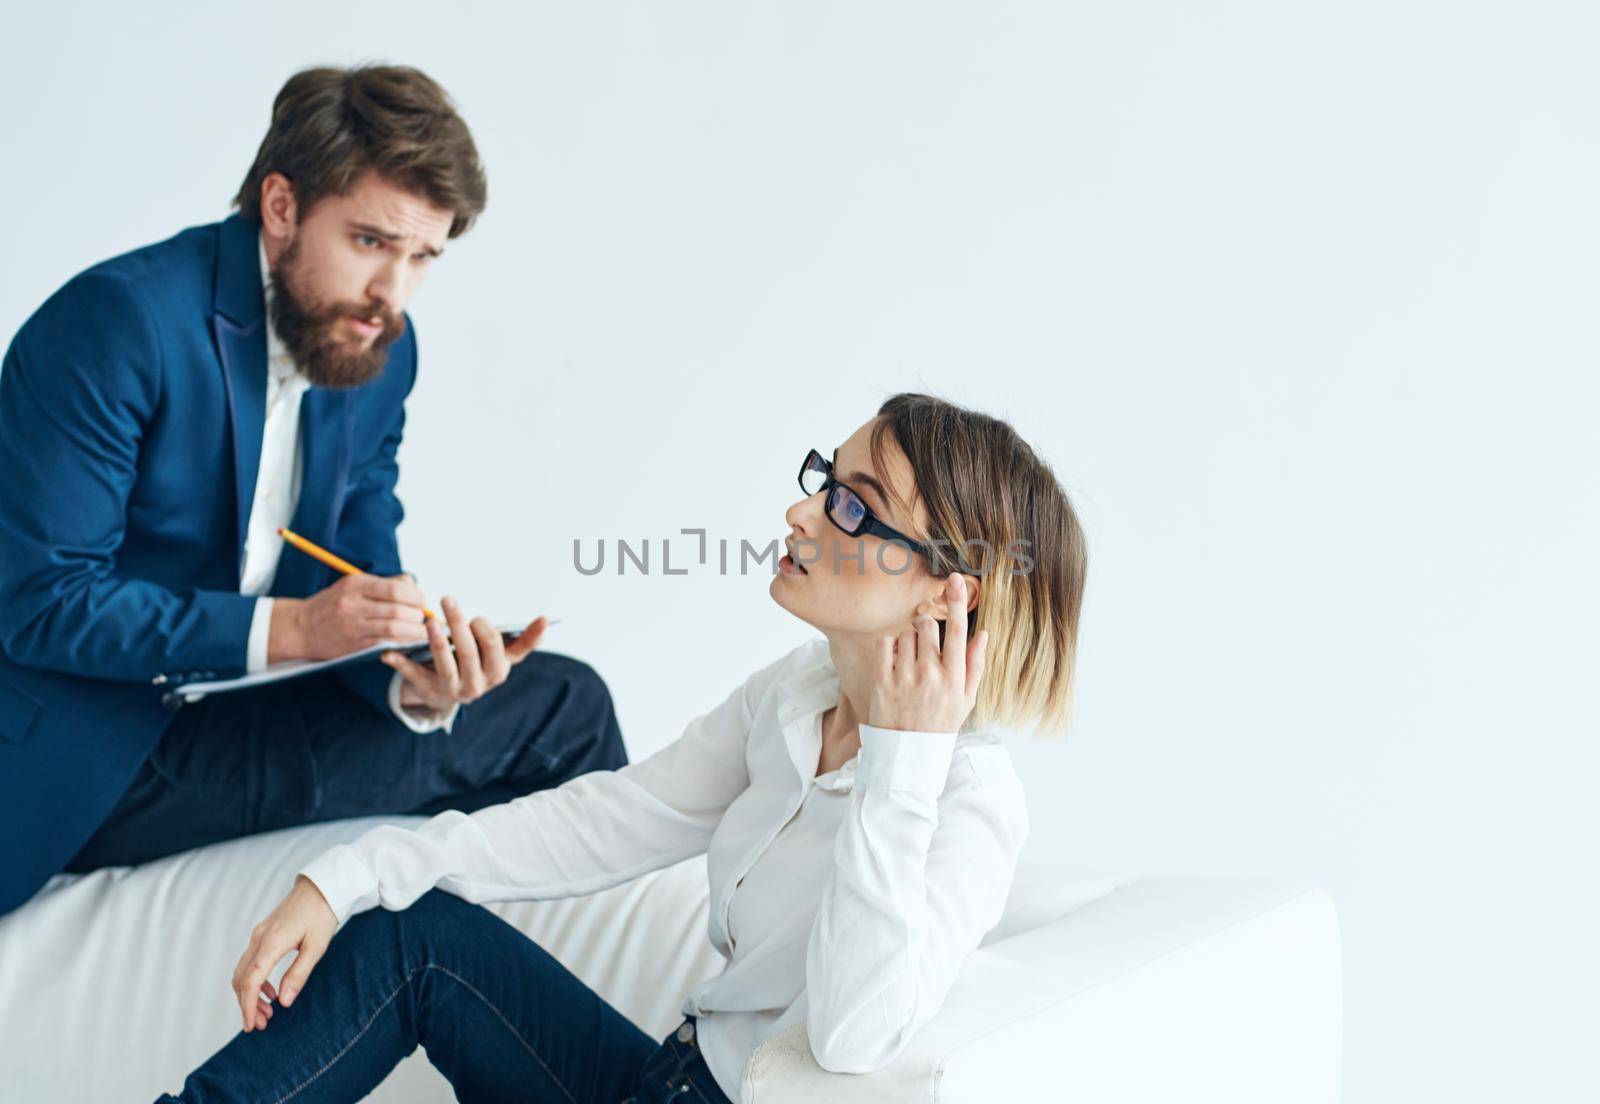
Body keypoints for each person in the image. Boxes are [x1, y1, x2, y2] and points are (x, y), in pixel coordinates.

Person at [156, 393, 1089, 1103]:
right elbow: (611, 818)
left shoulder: (970, 803)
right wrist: (347, 876)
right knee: (408, 936)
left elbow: (854, 1033)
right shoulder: (794, 693)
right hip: (661, 1078)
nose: (805, 514)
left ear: (946, 595)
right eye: (826, 481)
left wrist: (902, 760)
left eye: (856, 507)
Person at [0, 64, 628, 918]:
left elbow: (356, 567)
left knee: (561, 701)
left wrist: (417, 684)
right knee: (563, 712)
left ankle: (527, 1007)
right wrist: (296, 628)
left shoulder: (377, 350)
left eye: (422, 258)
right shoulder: (120, 322)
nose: (392, 294)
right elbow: (42, 604)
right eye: (371, 242)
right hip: (84, 747)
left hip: (224, 713)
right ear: (282, 206)